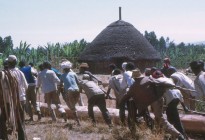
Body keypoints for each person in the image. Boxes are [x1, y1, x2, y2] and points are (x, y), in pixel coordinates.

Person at [59, 61, 81, 125]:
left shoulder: (62, 76)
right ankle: (77, 119)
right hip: (77, 90)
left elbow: (60, 85)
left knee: (72, 107)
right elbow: (78, 83)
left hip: (70, 91)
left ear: (63, 69)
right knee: (74, 105)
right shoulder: (74, 74)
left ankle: (77, 121)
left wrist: (59, 93)